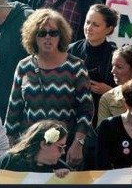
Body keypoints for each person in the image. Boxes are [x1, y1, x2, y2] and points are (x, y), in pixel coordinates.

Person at [5, 9, 93, 169]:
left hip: (64, 149)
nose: (48, 37)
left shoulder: (76, 66)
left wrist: (78, 144)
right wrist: (11, 146)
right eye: (41, 33)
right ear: (33, 36)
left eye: (53, 33)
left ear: (61, 35)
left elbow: (86, 111)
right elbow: (13, 109)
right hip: (31, 148)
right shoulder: (24, 66)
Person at [67, 4, 119, 126]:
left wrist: (109, 91)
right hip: (72, 115)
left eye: (95, 25)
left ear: (108, 29)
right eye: (87, 22)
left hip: (101, 119)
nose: (89, 28)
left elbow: (126, 91)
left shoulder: (116, 56)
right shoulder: (72, 50)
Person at [97, 44, 132, 125]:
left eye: (119, 67)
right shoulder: (107, 98)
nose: (113, 71)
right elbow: (102, 133)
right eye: (113, 66)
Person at [0, 120, 70, 176]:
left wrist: (65, 179)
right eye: (60, 147)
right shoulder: (9, 160)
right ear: (44, 144)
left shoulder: (61, 169)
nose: (63, 152)